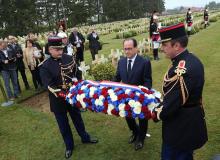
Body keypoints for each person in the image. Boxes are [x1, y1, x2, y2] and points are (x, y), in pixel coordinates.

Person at [152, 23, 208, 160]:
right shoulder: (190, 59)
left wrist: (154, 112)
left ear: (176, 46)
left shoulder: (181, 70)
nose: (162, 48)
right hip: (188, 122)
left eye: (165, 45)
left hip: (180, 128)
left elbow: (171, 104)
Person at [39, 36, 98, 159]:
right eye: (57, 49)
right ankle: (69, 146)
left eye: (61, 48)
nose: (60, 51)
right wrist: (65, 95)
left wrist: (78, 83)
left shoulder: (68, 57)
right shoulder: (45, 66)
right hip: (58, 100)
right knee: (63, 125)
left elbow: (77, 71)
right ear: (50, 50)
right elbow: (50, 85)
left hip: (73, 96)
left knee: (78, 119)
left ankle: (85, 138)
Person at [114, 38, 152, 151]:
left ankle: (141, 138)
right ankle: (135, 132)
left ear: (136, 48)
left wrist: (143, 93)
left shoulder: (144, 62)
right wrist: (108, 85)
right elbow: (117, 78)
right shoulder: (121, 62)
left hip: (139, 97)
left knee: (142, 118)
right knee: (128, 116)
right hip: (125, 97)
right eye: (125, 49)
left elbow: (147, 81)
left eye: (129, 49)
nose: (127, 51)